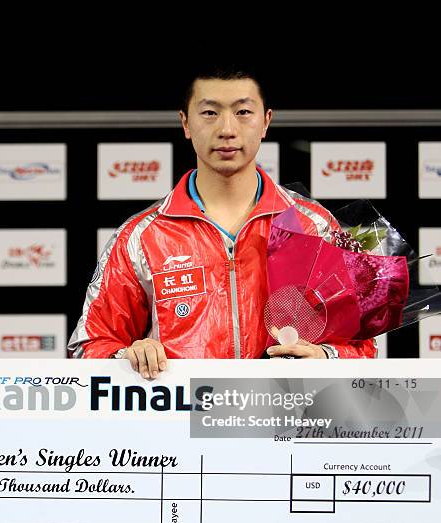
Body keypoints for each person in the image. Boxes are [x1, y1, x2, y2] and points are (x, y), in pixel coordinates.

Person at [68, 68, 376, 377]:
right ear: (185, 123)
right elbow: (90, 345)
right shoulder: (141, 237)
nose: (227, 129)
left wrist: (326, 357)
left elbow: (363, 346)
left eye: (243, 112)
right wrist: (128, 357)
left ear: (266, 121)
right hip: (181, 418)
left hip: (284, 418)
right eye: (210, 113)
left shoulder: (314, 226)